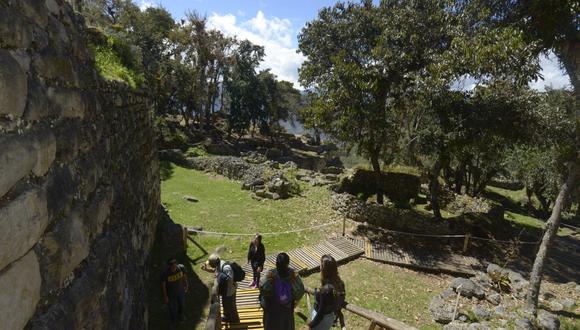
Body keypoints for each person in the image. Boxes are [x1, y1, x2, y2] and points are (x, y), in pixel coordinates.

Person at [259, 252, 305, 330]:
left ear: (276, 264)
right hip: (286, 312)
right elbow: (300, 293)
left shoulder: (270, 275)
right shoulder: (293, 275)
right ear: (287, 264)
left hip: (271, 313)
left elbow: (262, 289)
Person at [310, 255, 346, 330]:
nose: (319, 267)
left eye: (321, 265)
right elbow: (339, 302)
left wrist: (311, 325)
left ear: (323, 269)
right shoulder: (340, 283)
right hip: (330, 317)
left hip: (320, 320)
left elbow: (321, 313)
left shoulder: (326, 289)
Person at [207, 253, 240, 323]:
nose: (211, 265)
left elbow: (230, 279)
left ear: (214, 263)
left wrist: (219, 275)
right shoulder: (219, 264)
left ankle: (235, 321)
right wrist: (207, 269)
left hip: (230, 291)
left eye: (211, 264)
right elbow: (216, 271)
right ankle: (227, 317)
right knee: (225, 304)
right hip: (226, 290)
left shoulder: (226, 267)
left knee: (231, 306)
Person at [161, 258, 189, 323]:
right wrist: (165, 296)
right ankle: (173, 319)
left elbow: (184, 276)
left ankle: (181, 315)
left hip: (180, 291)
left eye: (175, 263)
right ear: (169, 265)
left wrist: (187, 285)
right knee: (172, 307)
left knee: (182, 304)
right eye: (171, 264)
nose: (174, 265)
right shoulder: (165, 273)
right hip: (171, 294)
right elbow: (163, 286)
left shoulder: (181, 268)